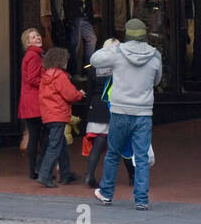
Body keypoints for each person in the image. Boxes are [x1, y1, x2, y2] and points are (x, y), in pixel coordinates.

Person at [91, 18, 162, 210]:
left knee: (113, 153)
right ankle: (141, 199)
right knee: (141, 158)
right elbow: (156, 81)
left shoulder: (117, 52)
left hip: (120, 111)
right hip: (143, 113)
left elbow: (94, 60)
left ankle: (106, 194)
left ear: (127, 35)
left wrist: (113, 47)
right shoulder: (155, 55)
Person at [81, 41, 133, 189]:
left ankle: (90, 174)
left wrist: (88, 113)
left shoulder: (92, 68)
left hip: (97, 108)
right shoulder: (121, 67)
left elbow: (90, 92)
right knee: (124, 144)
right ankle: (132, 176)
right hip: (115, 108)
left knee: (97, 145)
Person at [36, 47, 83, 187]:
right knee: (55, 147)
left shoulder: (46, 76)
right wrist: (80, 94)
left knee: (61, 145)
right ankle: (44, 175)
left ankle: (66, 174)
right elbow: (70, 94)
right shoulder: (60, 75)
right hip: (58, 115)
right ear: (61, 61)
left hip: (49, 115)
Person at [17, 28, 44, 180]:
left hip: (29, 101)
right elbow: (33, 79)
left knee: (35, 135)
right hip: (34, 102)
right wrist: (49, 83)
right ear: (27, 42)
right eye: (33, 37)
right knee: (37, 136)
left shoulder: (32, 55)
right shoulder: (34, 55)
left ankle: (35, 169)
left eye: (38, 35)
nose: (37, 38)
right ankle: (35, 169)